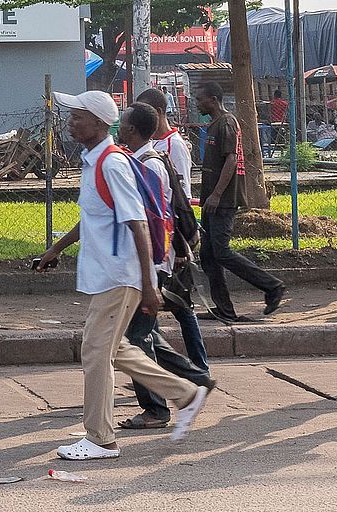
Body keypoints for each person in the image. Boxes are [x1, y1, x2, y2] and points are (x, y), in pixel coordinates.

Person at [35, 91, 210, 459]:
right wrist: (57, 249)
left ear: (99, 123)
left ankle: (100, 438)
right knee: (115, 351)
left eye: (78, 117)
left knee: (95, 352)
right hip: (109, 274)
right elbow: (95, 216)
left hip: (120, 275)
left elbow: (138, 225)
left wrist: (149, 285)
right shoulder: (95, 160)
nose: (70, 122)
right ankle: (186, 394)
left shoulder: (112, 163)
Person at [116, 101, 215, 432]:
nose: (119, 127)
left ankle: (156, 408)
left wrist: (154, 271)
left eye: (123, 123)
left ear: (132, 130)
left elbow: (156, 221)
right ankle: (196, 378)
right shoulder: (139, 159)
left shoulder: (151, 165)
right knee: (148, 334)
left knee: (135, 338)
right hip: (147, 262)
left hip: (155, 262)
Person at [191, 80, 285, 321]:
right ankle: (224, 310)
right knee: (209, 256)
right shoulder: (214, 124)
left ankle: (272, 286)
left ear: (212, 99)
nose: (196, 103)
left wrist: (217, 194)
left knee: (221, 252)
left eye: (199, 99)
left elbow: (231, 160)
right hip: (212, 199)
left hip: (223, 199)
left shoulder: (227, 123)